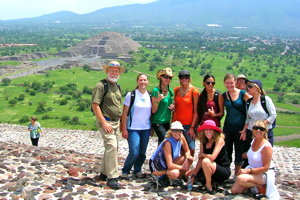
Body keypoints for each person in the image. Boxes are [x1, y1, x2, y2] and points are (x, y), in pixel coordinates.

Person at [91, 60, 125, 189]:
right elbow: (95, 105)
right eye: (112, 71)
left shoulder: (117, 86)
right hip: (106, 122)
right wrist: (104, 123)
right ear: (107, 71)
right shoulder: (101, 85)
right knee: (112, 145)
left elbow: (117, 105)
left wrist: (121, 122)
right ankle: (112, 177)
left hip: (116, 122)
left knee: (112, 148)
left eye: (116, 71)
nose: (114, 73)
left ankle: (104, 173)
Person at [231, 120, 279, 200]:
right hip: (253, 171)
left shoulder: (266, 146)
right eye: (256, 128)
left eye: (261, 129)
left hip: (264, 174)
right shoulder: (253, 141)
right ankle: (256, 186)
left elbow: (266, 168)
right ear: (252, 129)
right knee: (235, 190)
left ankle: (260, 186)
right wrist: (246, 155)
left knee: (240, 179)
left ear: (265, 131)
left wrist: (248, 171)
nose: (258, 130)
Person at [121, 73, 152, 178]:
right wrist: (124, 129)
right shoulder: (131, 95)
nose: (143, 82)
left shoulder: (150, 95)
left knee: (142, 152)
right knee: (134, 151)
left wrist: (151, 128)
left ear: (147, 82)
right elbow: (124, 112)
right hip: (133, 128)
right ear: (137, 82)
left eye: (145, 80)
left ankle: (137, 170)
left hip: (146, 128)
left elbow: (151, 113)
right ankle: (126, 170)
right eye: (141, 80)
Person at [186, 120, 231, 193]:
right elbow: (200, 160)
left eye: (211, 130)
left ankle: (208, 185)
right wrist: (194, 176)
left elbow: (212, 157)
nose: (208, 132)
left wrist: (203, 155)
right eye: (206, 129)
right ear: (203, 131)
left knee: (206, 161)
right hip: (208, 167)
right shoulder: (203, 141)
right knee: (187, 175)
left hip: (222, 169)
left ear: (214, 131)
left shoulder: (219, 139)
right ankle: (211, 181)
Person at [240, 79, 276, 168]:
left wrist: (262, 125)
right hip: (251, 132)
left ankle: (264, 174)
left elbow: (273, 115)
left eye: (250, 86)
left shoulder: (265, 100)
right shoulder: (249, 102)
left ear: (257, 88)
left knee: (264, 154)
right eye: (248, 86)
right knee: (249, 154)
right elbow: (248, 119)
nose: (248, 88)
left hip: (264, 132)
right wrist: (244, 130)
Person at [222, 74, 250, 179]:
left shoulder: (243, 94)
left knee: (239, 152)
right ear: (224, 83)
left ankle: (237, 175)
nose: (230, 85)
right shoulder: (224, 95)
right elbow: (220, 111)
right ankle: (226, 173)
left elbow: (252, 107)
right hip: (228, 128)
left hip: (240, 129)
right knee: (227, 151)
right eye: (227, 83)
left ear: (235, 83)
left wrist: (245, 129)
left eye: (231, 83)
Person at [149, 121, 193, 186]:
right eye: (175, 130)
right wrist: (182, 167)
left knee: (190, 158)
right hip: (157, 166)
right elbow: (170, 165)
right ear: (171, 131)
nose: (177, 133)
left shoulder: (181, 137)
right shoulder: (168, 143)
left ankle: (178, 178)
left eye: (180, 130)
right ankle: (159, 175)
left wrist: (187, 160)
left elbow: (187, 151)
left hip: (169, 162)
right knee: (175, 173)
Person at [173, 69, 199, 156]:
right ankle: (182, 168)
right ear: (179, 79)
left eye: (186, 77)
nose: (184, 79)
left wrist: (192, 127)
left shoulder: (194, 91)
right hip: (177, 124)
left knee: (191, 149)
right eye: (182, 77)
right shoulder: (176, 90)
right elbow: (175, 108)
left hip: (188, 125)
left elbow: (196, 111)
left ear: (189, 78)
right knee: (180, 149)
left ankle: (187, 167)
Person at [151, 68, 175, 145]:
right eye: (166, 77)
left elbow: (169, 104)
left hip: (167, 121)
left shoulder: (170, 91)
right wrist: (158, 100)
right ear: (161, 77)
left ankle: (158, 157)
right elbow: (153, 110)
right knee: (167, 141)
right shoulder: (156, 90)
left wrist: (173, 108)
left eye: (170, 77)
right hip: (158, 121)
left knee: (162, 143)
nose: (168, 79)